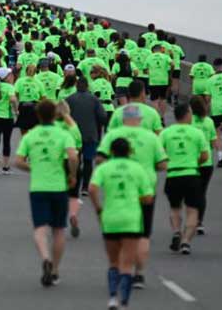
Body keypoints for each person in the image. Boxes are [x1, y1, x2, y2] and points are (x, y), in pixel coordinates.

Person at [97, 105, 168, 289]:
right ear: (140, 119)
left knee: (120, 231)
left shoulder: (113, 135)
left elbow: (100, 158)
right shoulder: (151, 137)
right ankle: (139, 274)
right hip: (145, 188)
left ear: (123, 118)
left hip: (118, 186)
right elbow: (162, 164)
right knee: (143, 234)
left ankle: (121, 267)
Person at [14, 100, 79, 287]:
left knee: (40, 229)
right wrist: (72, 174)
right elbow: (73, 156)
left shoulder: (31, 136)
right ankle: (56, 270)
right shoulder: (63, 134)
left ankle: (45, 257)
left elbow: (18, 161)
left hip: (38, 187)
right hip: (58, 186)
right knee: (59, 230)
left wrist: (32, 168)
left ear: (38, 115)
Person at [89, 138, 153, 310]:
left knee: (113, 262)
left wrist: (98, 208)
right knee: (127, 264)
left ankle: (112, 298)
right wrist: (135, 198)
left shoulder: (104, 168)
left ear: (111, 152)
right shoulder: (138, 169)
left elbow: (92, 189)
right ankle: (124, 302)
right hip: (131, 220)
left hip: (110, 219)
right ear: (130, 152)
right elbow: (148, 198)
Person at [161, 103, 209, 254]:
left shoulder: (166, 133)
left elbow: (160, 155)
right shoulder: (196, 133)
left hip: (173, 174)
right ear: (187, 115)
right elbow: (205, 156)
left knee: (175, 207)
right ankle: (186, 241)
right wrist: (194, 162)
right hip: (191, 174)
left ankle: (176, 231)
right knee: (192, 210)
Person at [66, 76, 108, 197]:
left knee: (75, 161)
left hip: (73, 136)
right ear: (88, 86)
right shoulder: (94, 100)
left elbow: (62, 115)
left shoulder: (69, 99)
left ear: (76, 86)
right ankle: (85, 187)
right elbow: (103, 116)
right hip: (90, 135)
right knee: (88, 161)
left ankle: (74, 186)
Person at [54, 101, 84, 238]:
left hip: (57, 163)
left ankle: (58, 220)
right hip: (72, 161)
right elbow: (79, 147)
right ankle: (73, 215)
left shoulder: (52, 127)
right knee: (73, 195)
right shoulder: (73, 128)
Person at [189, 95, 217, 235]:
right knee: (202, 193)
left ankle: (191, 220)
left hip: (191, 162)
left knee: (191, 193)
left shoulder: (188, 122)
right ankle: (200, 222)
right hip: (206, 162)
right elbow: (213, 143)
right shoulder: (209, 122)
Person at [14, 64, 45, 134]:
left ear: (25, 71)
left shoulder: (20, 81)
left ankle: (25, 143)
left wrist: (20, 99)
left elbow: (15, 94)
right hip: (34, 106)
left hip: (23, 107)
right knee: (35, 130)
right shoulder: (39, 82)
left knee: (24, 130)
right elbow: (43, 97)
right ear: (35, 72)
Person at [144, 44, 172, 118]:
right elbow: (172, 63)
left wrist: (149, 72)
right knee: (163, 99)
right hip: (164, 80)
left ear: (153, 50)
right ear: (160, 49)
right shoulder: (166, 56)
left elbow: (145, 69)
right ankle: (162, 117)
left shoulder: (149, 57)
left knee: (154, 100)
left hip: (153, 81)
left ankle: (156, 117)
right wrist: (169, 70)